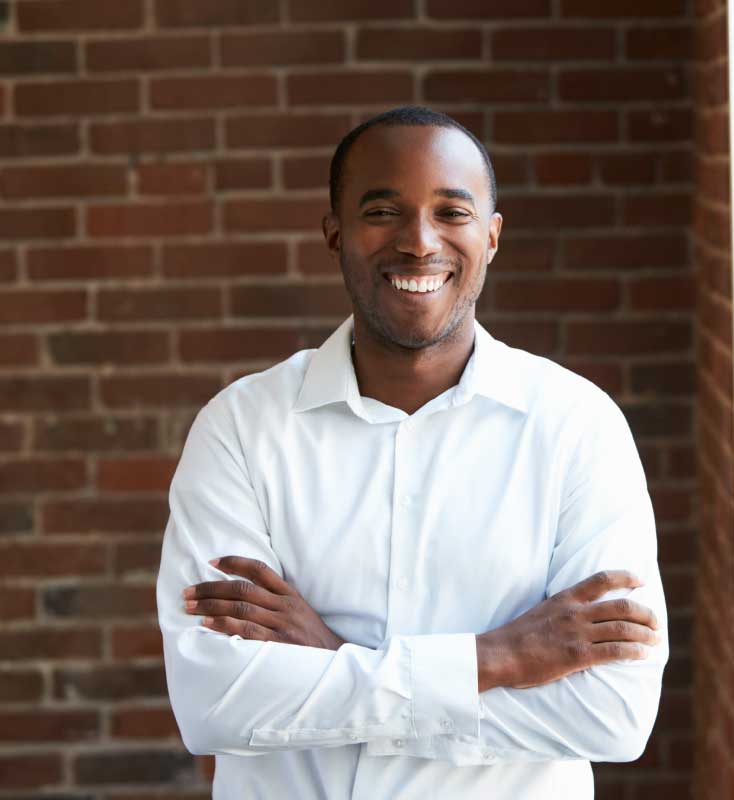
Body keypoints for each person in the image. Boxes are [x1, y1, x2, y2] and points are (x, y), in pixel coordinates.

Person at [156, 106, 668, 799]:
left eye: (451, 212)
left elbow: (613, 714)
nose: (418, 242)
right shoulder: (242, 429)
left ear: (491, 237)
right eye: (382, 210)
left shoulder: (576, 427)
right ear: (333, 230)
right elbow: (216, 701)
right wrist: (499, 658)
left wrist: (339, 663)